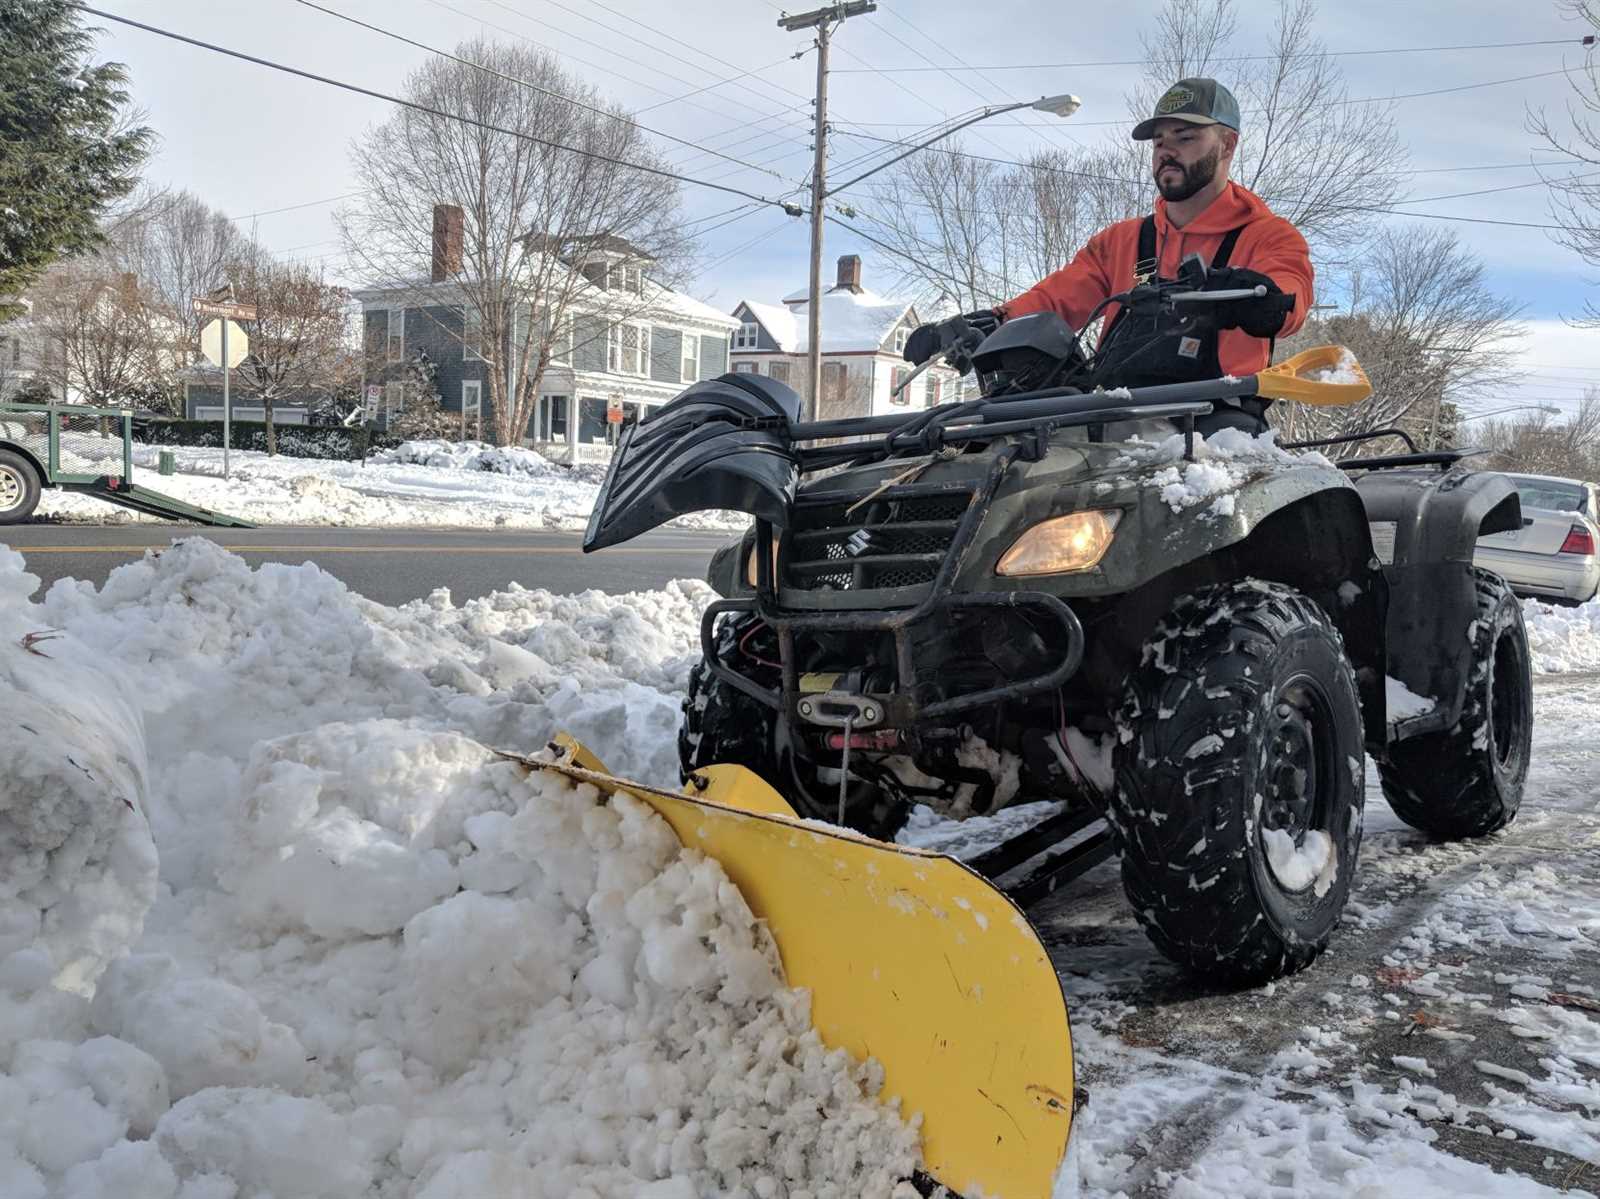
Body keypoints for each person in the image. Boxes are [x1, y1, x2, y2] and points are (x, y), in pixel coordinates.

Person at [904, 77, 1314, 431]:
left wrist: (1263, 297)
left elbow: (1288, 291)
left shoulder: (1268, 237)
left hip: (1217, 424)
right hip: (1113, 417)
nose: (1166, 152)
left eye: (1185, 138)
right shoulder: (1123, 241)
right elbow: (1056, 300)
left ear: (1227, 145)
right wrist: (990, 324)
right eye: (1159, 142)